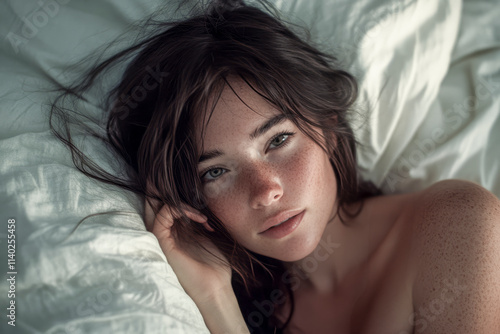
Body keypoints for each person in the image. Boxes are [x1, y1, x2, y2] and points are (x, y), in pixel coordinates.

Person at [49, 0, 500, 333]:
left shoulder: (457, 223)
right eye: (216, 172)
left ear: (327, 123)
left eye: (278, 140)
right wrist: (215, 299)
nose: (264, 190)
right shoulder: (240, 309)